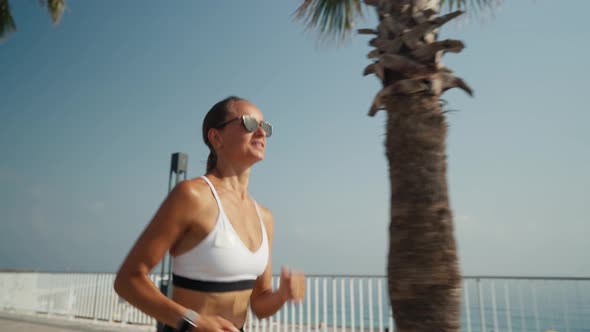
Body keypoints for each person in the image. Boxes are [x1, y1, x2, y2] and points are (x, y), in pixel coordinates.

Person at [114, 96, 306, 332]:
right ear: (216, 138)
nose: (261, 133)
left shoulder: (264, 217)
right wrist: (192, 321)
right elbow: (127, 280)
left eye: (265, 127)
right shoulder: (192, 196)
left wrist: (281, 296)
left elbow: (259, 303)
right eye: (249, 124)